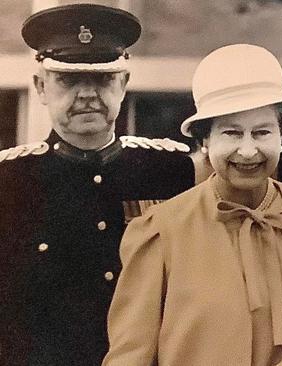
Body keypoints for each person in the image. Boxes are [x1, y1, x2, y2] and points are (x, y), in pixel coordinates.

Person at [102, 44, 282, 366]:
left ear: (281, 137)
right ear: (205, 141)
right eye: (231, 133)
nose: (248, 151)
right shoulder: (160, 232)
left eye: (262, 132)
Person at [0, 4, 197, 365]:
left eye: (104, 79)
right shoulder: (8, 181)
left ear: (123, 84)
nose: (88, 94)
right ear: (41, 86)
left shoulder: (171, 172)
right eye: (69, 80)